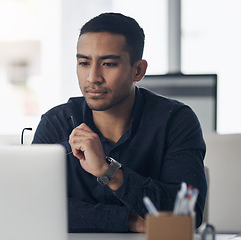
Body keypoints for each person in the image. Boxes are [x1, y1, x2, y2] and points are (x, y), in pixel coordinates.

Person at [32, 12, 207, 233]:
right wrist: (130, 221)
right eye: (84, 63)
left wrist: (109, 172)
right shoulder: (56, 124)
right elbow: (35, 208)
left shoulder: (175, 121)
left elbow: (186, 217)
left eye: (108, 64)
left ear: (138, 70)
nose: (93, 77)